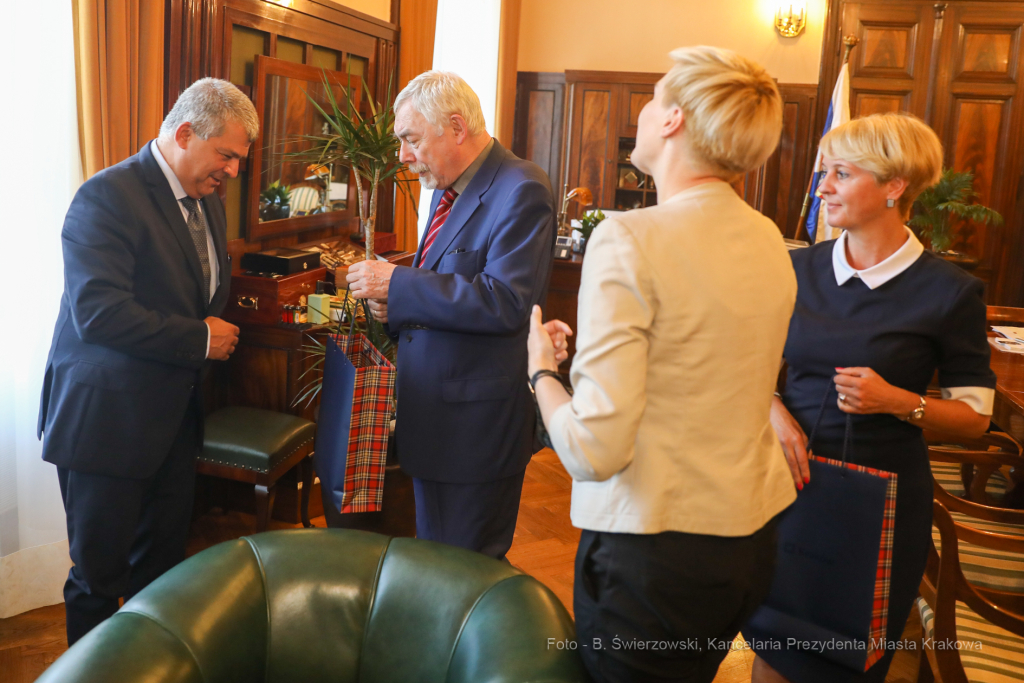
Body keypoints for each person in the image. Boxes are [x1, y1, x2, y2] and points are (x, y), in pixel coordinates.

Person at [528, 46, 798, 682]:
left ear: (673, 119)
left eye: (652, 99)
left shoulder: (630, 237)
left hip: (656, 555)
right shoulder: (768, 236)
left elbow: (595, 450)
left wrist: (543, 373)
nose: (646, 113)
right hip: (748, 540)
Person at [748, 113, 995, 683]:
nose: (823, 187)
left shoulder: (951, 293)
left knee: (846, 661)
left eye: (840, 173)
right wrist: (772, 409)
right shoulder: (795, 268)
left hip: (880, 508)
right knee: (773, 644)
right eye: (823, 173)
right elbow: (745, 360)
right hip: (785, 487)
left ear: (893, 187)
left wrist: (897, 401)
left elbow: (975, 420)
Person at [37, 78, 257, 645]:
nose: (233, 172)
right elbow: (99, 315)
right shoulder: (105, 196)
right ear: (185, 134)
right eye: (226, 155)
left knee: (159, 580)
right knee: (98, 579)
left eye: (238, 160)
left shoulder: (206, 200)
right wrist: (199, 340)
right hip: (105, 426)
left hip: (172, 426)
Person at [345, 71, 556, 561]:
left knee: (468, 573)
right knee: (438, 567)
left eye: (410, 139)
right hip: (435, 419)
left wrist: (396, 283)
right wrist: (391, 302)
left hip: (474, 432)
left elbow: (504, 300)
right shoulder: (446, 188)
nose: (402, 155)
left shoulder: (522, 187)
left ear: (456, 127)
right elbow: (442, 282)